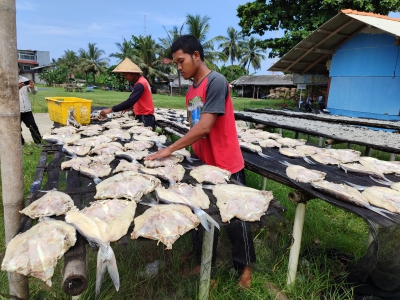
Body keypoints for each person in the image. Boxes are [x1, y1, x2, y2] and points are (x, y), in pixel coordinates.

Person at [145, 35, 255, 288]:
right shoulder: (191, 91)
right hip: (203, 163)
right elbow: (194, 125)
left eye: (181, 61)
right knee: (201, 213)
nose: (179, 67)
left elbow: (205, 127)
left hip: (226, 164)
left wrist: (169, 148)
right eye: (175, 63)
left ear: (196, 56)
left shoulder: (216, 82)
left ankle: (246, 268)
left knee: (237, 220)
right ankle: (204, 262)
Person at [99, 58, 155, 130]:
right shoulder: (141, 81)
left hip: (145, 117)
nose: (125, 77)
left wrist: (110, 109)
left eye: (126, 75)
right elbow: (139, 99)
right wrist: (131, 107)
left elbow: (130, 101)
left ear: (133, 73)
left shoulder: (140, 84)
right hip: (146, 116)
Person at [18, 64, 41, 145]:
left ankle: (38, 143)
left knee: (33, 127)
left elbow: (34, 93)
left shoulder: (24, 79)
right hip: (16, 111)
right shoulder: (6, 81)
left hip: (26, 109)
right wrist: (16, 89)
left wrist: (32, 87)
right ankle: (21, 144)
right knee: (16, 129)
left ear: (19, 69)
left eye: (17, 68)